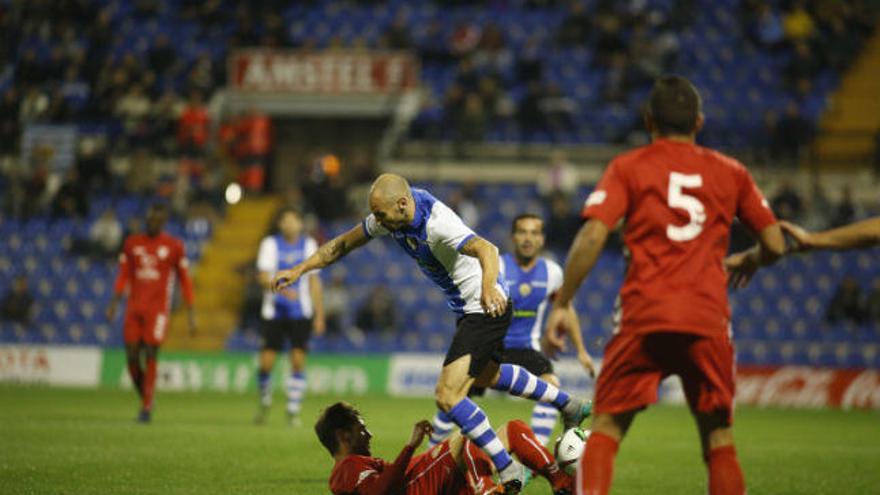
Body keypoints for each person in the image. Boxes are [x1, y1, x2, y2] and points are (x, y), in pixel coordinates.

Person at [274, 174, 592, 493]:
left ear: (401, 204)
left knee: (447, 395)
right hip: (470, 309)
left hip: (484, 305)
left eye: (381, 214)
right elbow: (342, 243)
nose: (377, 221)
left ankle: (509, 470)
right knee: (486, 376)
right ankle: (568, 404)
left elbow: (488, 248)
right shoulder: (392, 216)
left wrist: (485, 287)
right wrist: (299, 270)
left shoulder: (437, 224)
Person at [544, 75, 784, 495]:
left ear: (648, 120)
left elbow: (594, 235)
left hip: (643, 317)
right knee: (718, 440)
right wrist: (753, 258)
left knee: (605, 429)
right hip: (707, 318)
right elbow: (776, 243)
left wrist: (564, 302)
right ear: (700, 122)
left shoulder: (629, 167)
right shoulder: (731, 172)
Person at [429, 213, 595, 448]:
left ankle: (534, 457)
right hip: (494, 344)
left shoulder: (553, 272)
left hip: (526, 348)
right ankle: (431, 450)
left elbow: (565, 307)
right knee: (453, 395)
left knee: (552, 385)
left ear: (542, 239)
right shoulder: (496, 266)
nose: (528, 238)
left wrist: (581, 351)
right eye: (522, 232)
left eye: (534, 233)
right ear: (513, 237)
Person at [316, 401, 573, 495]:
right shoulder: (345, 469)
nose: (368, 434)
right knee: (468, 434)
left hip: (439, 480)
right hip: (427, 484)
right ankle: (484, 488)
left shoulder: (357, 466)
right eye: (361, 428)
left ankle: (560, 481)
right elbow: (382, 490)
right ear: (343, 435)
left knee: (513, 429)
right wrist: (410, 446)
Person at [107, 203, 197, 423]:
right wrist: (115, 301)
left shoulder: (174, 246)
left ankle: (146, 406)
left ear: (164, 222)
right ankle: (147, 396)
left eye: (158, 220)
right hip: (134, 308)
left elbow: (185, 280)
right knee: (131, 357)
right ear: (147, 219)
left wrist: (191, 312)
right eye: (151, 219)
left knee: (150, 352)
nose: (153, 222)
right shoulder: (132, 243)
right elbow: (123, 275)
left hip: (157, 310)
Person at [254, 208, 325, 426]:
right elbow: (263, 277)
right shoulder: (270, 244)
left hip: (300, 312)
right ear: (280, 224)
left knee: (297, 360)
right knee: (266, 363)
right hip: (273, 311)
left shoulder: (309, 245)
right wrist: (283, 290)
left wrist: (319, 314)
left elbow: (314, 281)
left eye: (294, 220)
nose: (290, 224)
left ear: (300, 224)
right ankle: (265, 400)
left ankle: (293, 411)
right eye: (286, 221)